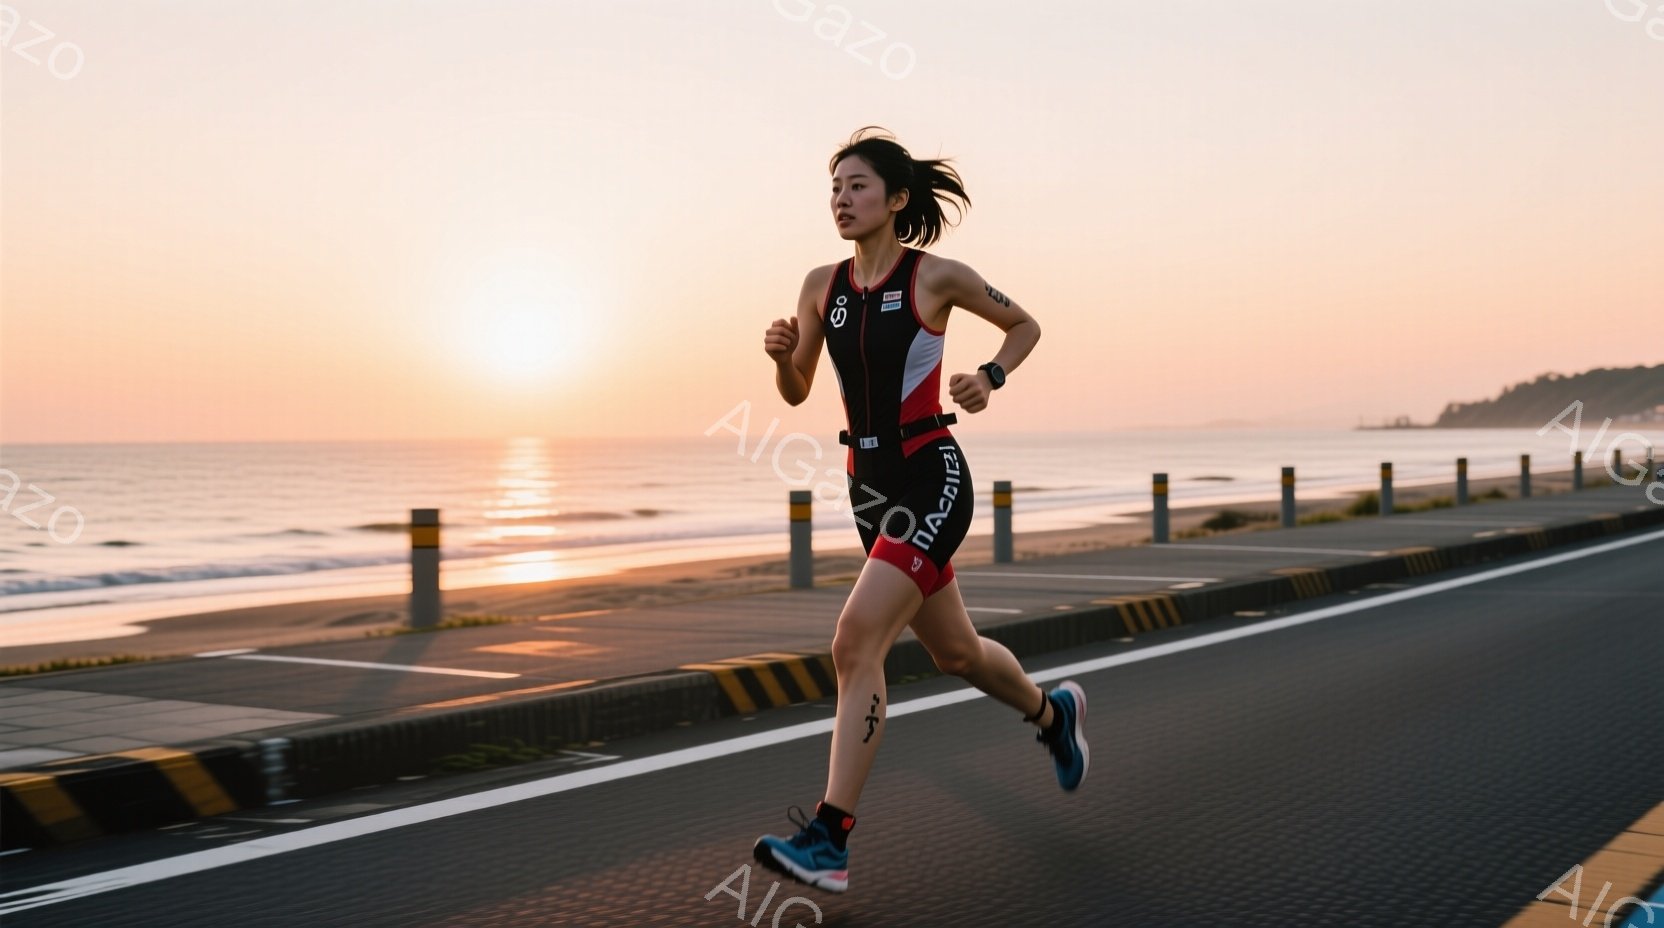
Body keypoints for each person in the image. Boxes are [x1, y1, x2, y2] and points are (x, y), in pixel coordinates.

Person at [754, 127, 1088, 894]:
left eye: (857, 186)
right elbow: (797, 390)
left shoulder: (936, 277)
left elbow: (1025, 324)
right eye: (834, 188)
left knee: (854, 641)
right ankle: (1051, 713)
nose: (841, 199)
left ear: (897, 199)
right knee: (957, 654)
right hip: (866, 488)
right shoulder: (819, 285)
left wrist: (991, 377)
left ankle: (830, 839)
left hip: (929, 475)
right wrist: (780, 356)